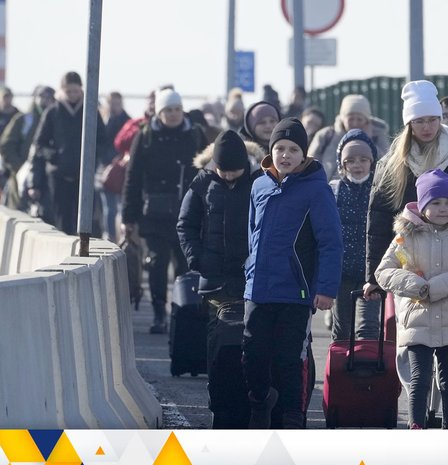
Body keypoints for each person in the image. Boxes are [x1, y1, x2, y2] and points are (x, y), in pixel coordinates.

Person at [242, 118, 342, 429]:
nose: (285, 155)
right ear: (271, 151)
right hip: (257, 291)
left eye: (293, 149)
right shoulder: (259, 185)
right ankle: (260, 402)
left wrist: (325, 288)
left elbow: (331, 241)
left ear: (304, 154)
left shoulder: (317, 190)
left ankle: (292, 419)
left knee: (290, 361)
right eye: (280, 148)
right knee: (252, 357)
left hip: (295, 294)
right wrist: (249, 272)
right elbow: (252, 234)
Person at [364, 80, 448, 302]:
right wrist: (373, 277)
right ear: (409, 124)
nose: (427, 127)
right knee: (411, 326)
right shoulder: (393, 163)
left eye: (433, 120)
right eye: (419, 121)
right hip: (410, 260)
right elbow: (378, 218)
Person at [375, 168, 448, 429]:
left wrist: (437, 286)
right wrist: (415, 285)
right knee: (419, 379)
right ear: (422, 205)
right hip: (417, 319)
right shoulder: (405, 239)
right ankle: (416, 426)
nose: (443, 208)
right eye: (435, 202)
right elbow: (384, 272)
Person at [176, 129, 256, 428]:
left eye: (234, 171)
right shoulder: (202, 183)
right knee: (217, 340)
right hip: (214, 280)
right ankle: (219, 396)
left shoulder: (258, 181)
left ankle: (246, 400)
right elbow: (186, 224)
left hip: (250, 277)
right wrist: (198, 259)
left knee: (249, 340)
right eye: (222, 171)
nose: (228, 176)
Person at [122, 88, 207, 334]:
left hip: (188, 213)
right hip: (154, 216)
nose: (173, 114)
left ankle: (181, 312)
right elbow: (133, 177)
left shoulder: (194, 134)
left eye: (177, 109)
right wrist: (129, 216)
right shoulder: (145, 136)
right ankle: (159, 312)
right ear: (159, 112)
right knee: (157, 265)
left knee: (185, 266)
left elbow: (208, 172)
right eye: (167, 110)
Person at [29, 71, 108, 235]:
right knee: (62, 220)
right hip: (59, 176)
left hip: (84, 177)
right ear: (62, 91)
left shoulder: (91, 111)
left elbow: (102, 140)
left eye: (76, 91)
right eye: (69, 91)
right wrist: (54, 156)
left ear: (81, 90)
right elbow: (39, 144)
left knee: (87, 221)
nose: (72, 95)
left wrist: (91, 157)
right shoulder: (52, 113)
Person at [329, 128, 380, 342]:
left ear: (372, 162)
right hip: (341, 273)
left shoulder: (379, 190)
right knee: (342, 328)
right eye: (351, 160)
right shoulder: (334, 190)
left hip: (371, 273)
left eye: (363, 159)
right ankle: (340, 372)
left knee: (368, 328)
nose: (357, 165)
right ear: (342, 164)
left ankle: (367, 371)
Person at [307, 94, 390, 181]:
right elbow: (310, 165)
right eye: (351, 119)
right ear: (343, 119)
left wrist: (368, 141)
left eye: (359, 119)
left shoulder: (377, 136)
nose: (355, 123)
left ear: (366, 120)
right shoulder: (326, 136)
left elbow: (385, 165)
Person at [0, 85, 54, 209]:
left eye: (48, 97)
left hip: (49, 181)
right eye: (41, 96)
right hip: (21, 181)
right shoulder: (24, 120)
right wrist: (20, 167)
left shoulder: (56, 122)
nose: (44, 100)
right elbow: (6, 145)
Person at [98, 91, 131, 241]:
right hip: (105, 170)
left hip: (121, 171)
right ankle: (110, 235)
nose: (114, 107)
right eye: (111, 103)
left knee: (119, 207)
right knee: (108, 208)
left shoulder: (127, 123)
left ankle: (120, 236)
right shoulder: (103, 121)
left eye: (117, 104)